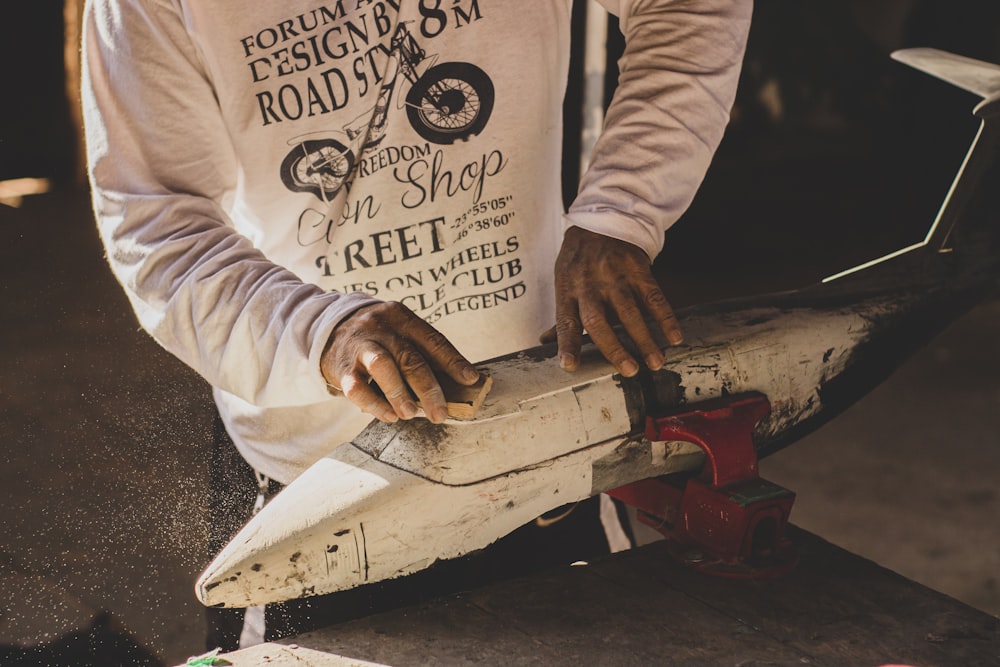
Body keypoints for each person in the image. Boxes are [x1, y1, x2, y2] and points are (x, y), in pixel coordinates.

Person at [82, 0, 752, 652]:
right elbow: (156, 218)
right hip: (320, 490)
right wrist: (320, 329)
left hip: (543, 445)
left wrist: (621, 212)